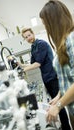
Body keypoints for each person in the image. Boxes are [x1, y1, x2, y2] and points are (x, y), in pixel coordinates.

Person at [19, 27, 71, 130]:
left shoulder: (41, 44)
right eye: (26, 37)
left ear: (33, 34)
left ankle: (66, 127)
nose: (28, 38)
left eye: (29, 35)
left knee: (59, 105)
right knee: (54, 103)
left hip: (52, 77)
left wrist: (24, 70)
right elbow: (32, 64)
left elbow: (38, 64)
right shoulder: (33, 47)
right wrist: (21, 65)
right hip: (46, 78)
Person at [39, 0, 74, 129]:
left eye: (45, 24)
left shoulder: (72, 39)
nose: (46, 28)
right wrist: (59, 96)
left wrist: (59, 105)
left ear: (53, 21)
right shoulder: (63, 43)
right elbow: (69, 77)